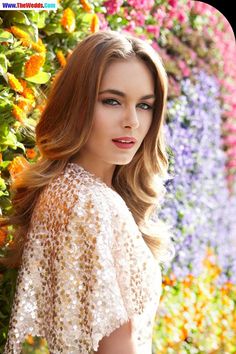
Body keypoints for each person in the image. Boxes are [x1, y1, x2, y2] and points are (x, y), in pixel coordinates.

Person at [1, 30, 174, 354]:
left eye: (145, 105)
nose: (132, 121)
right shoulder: (90, 203)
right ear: (77, 104)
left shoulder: (65, 192)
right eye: (112, 101)